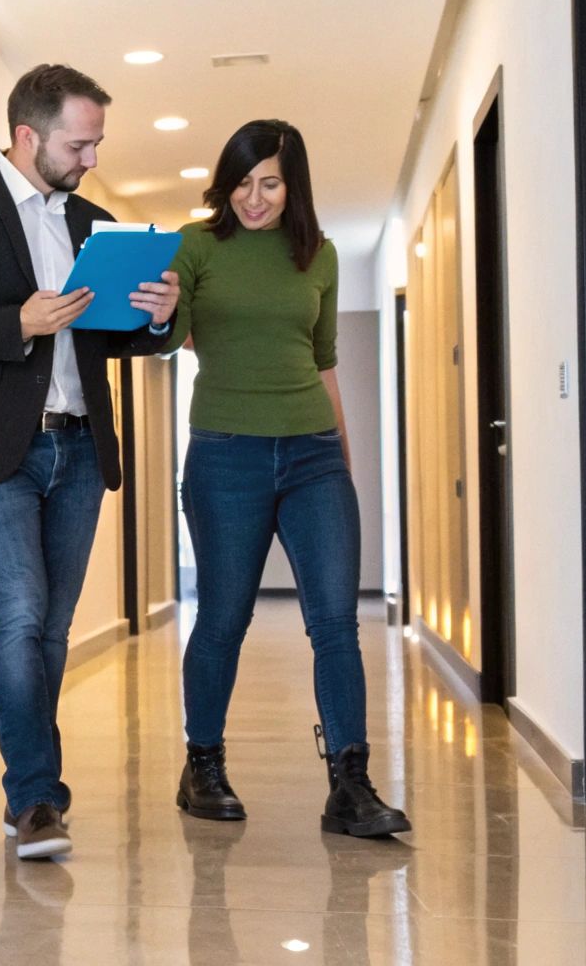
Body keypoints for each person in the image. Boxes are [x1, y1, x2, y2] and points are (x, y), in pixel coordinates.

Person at [0, 64, 179, 859]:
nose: (92, 159)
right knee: (19, 615)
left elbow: (112, 338)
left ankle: (30, 792)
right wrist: (18, 323)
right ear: (28, 136)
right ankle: (36, 797)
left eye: (96, 143)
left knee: (53, 627)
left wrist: (158, 320)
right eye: (79, 145)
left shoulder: (95, 223)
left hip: (80, 446)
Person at [161, 119, 411, 838]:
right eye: (242, 183)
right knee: (223, 619)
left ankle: (350, 785)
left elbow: (324, 362)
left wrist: (343, 460)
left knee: (335, 623)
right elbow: (167, 340)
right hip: (225, 455)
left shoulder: (319, 254)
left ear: (292, 185)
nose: (254, 198)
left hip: (313, 456)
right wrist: (161, 314)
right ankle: (203, 765)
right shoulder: (195, 245)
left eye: (269, 183)